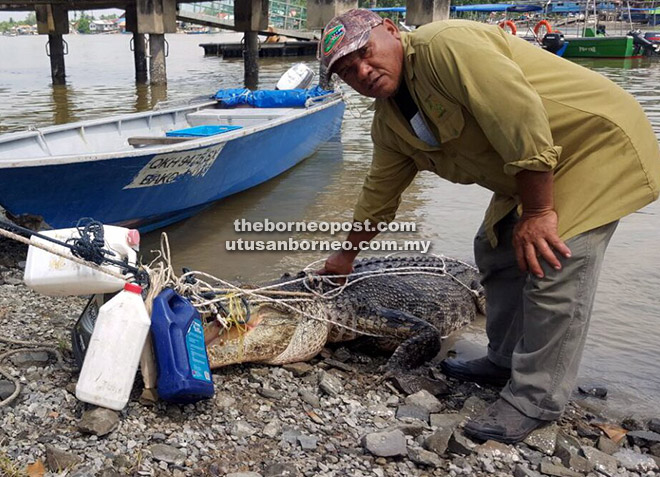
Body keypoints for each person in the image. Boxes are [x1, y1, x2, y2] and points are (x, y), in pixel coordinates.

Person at [318, 9, 660, 444]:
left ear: (389, 30)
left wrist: (538, 214)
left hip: (591, 145)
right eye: (347, 71)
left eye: (364, 54)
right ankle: (503, 361)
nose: (362, 72)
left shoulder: (447, 45)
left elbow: (521, 118)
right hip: (531, 168)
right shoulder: (390, 124)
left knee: (553, 262)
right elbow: (378, 196)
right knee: (495, 247)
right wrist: (345, 256)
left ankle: (535, 400)